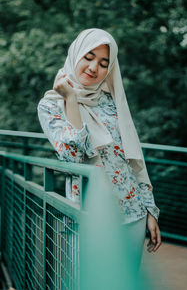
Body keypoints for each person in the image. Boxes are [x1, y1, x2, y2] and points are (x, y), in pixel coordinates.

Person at [37, 28, 162, 271]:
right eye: (89, 56)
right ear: (76, 54)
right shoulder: (51, 104)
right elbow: (73, 157)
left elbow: (133, 158)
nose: (94, 67)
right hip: (89, 214)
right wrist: (71, 99)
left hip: (132, 213)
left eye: (104, 63)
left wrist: (150, 209)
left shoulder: (111, 101)